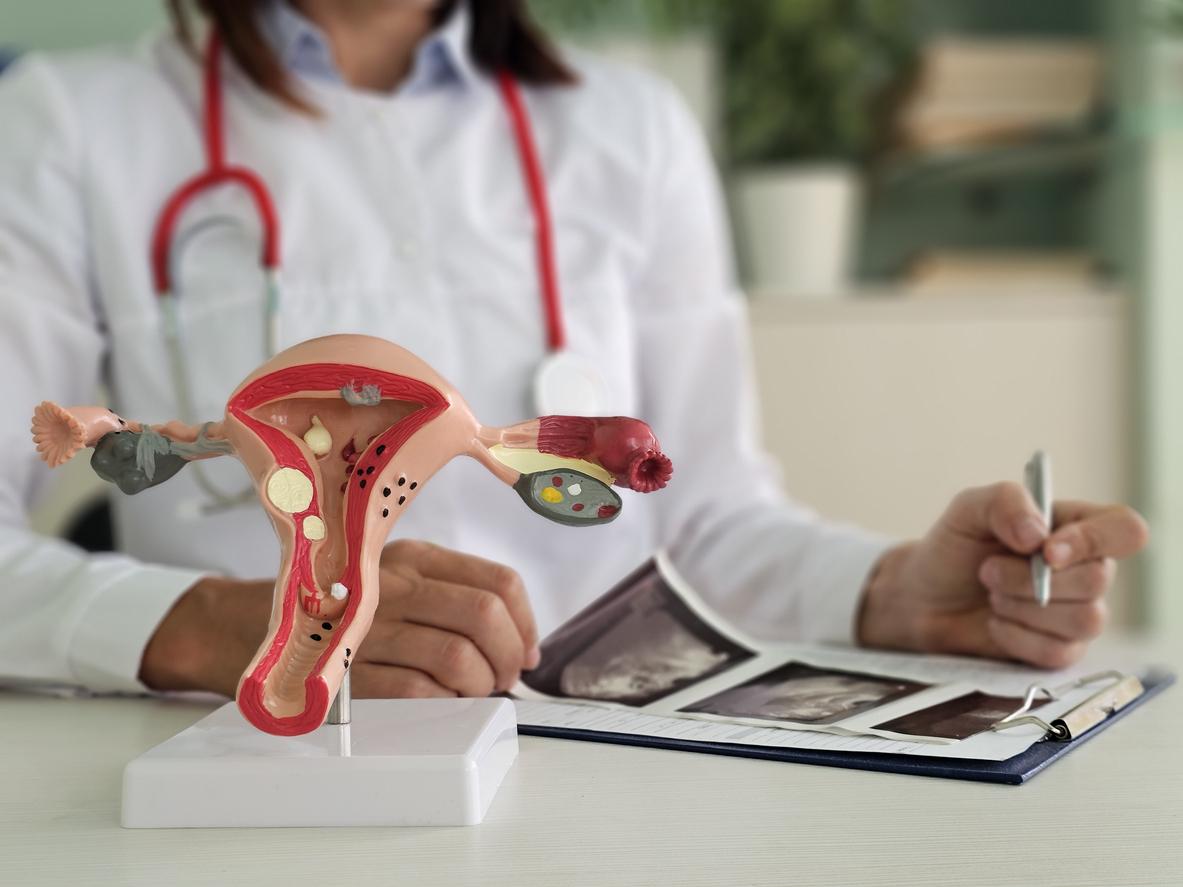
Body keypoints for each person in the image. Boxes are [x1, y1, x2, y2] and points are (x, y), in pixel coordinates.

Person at [0, 0, 1148, 704]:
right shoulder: (71, 128)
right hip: (269, 765)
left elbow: (702, 517)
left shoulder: (629, 128)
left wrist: (890, 590)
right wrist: (221, 623)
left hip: (617, 771)